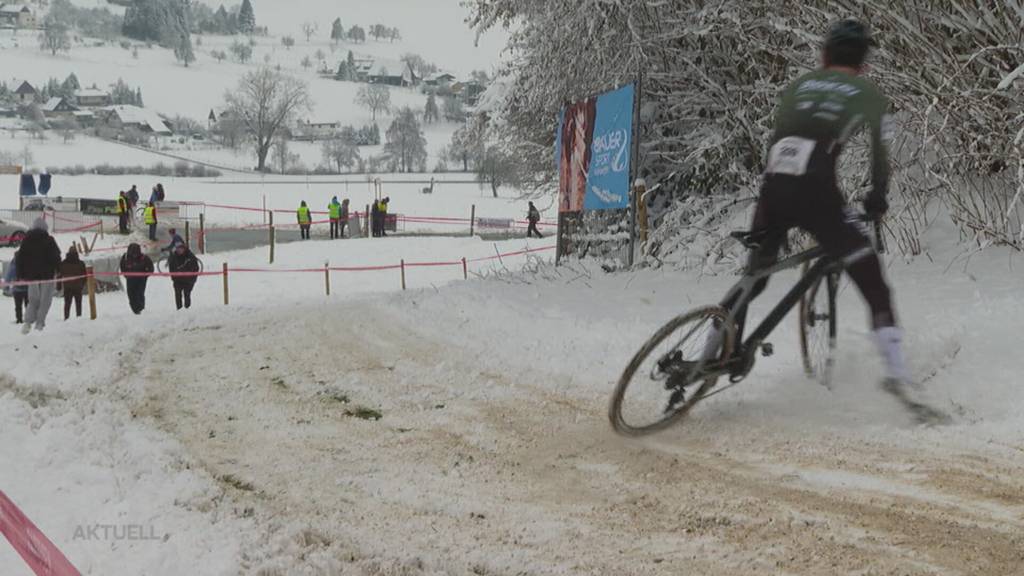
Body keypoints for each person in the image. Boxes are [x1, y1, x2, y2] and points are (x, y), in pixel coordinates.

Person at [739, 19, 904, 387]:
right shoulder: (867, 94)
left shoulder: (796, 87)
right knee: (872, 280)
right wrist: (876, 200)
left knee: (754, 278)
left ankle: (716, 351)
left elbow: (779, 142)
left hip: (772, 190)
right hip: (817, 195)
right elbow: (881, 158)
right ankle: (898, 373)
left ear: (824, 55)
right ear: (863, 62)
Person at [15, 217, 61, 334]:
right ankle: (39, 324)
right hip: (47, 276)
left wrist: (20, 274)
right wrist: (59, 271)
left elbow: (20, 258)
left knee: (33, 300)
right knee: (45, 300)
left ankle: (27, 323)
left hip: (32, 277)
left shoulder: (26, 240)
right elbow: (56, 257)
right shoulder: (49, 240)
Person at [120, 243, 154, 315]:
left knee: (139, 294)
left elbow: (151, 268)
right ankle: (135, 310)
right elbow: (122, 266)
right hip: (130, 280)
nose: (134, 255)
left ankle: (141, 309)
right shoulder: (125, 257)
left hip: (141, 280)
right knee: (131, 295)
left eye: (136, 253)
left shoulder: (144, 258)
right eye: (133, 253)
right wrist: (126, 275)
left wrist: (145, 275)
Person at [167, 243, 199, 310]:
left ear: (184, 249)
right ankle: (179, 309)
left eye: (180, 249)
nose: (179, 250)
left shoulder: (190, 256)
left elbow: (196, 268)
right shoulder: (174, 257)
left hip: (188, 280)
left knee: (187, 294)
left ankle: (187, 309)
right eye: (178, 249)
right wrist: (173, 277)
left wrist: (193, 279)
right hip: (177, 280)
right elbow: (171, 268)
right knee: (178, 295)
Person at [59, 245, 87, 320]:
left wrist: (59, 286)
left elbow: (59, 275)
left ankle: (66, 317)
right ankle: (79, 317)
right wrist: (82, 284)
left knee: (67, 304)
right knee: (78, 304)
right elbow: (85, 276)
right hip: (78, 287)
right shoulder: (81, 263)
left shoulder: (63, 263)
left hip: (67, 287)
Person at [3, 257, 29, 325]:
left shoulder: (13, 264)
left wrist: (6, 287)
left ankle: (19, 319)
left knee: (18, 306)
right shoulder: (28, 262)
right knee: (28, 304)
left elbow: (9, 275)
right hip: (28, 288)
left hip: (17, 289)